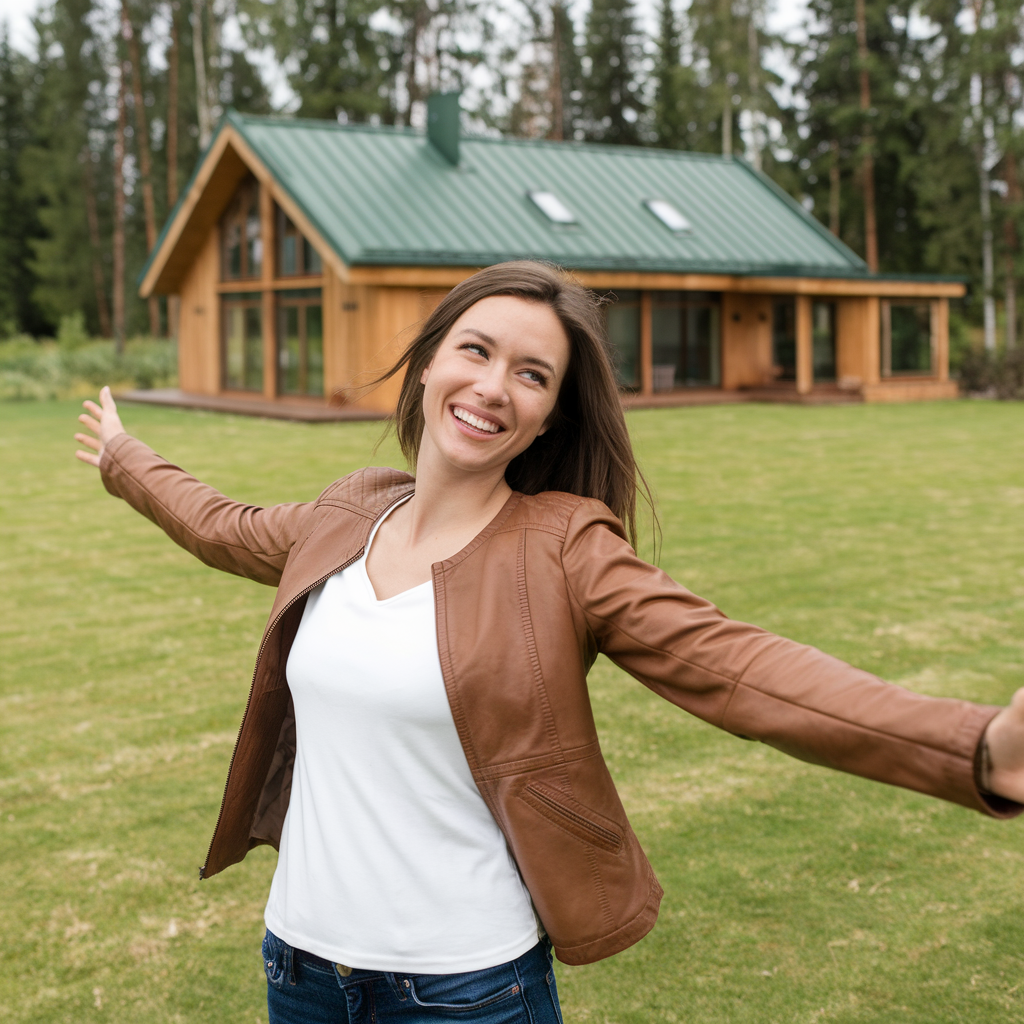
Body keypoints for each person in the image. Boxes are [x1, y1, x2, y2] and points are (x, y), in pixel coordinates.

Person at [75, 261, 1024, 1024]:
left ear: (551, 412)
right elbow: (219, 522)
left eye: (531, 374)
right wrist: (124, 457)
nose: (494, 387)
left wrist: (975, 747)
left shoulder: (564, 546)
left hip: (463, 991)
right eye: (475, 350)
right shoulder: (345, 512)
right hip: (301, 969)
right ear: (428, 361)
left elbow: (740, 670)